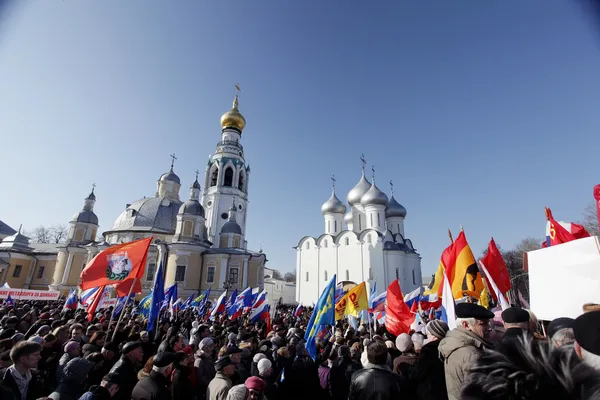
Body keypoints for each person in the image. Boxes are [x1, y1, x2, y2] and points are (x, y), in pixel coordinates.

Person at [438, 302, 494, 400]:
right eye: (483, 323)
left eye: (488, 322)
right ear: (466, 325)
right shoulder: (472, 354)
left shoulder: (455, 343)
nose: (489, 328)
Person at [410, 320, 449, 400]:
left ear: (434, 335)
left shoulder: (428, 350)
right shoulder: (451, 346)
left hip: (433, 392)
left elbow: (417, 373)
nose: (427, 336)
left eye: (428, 334)